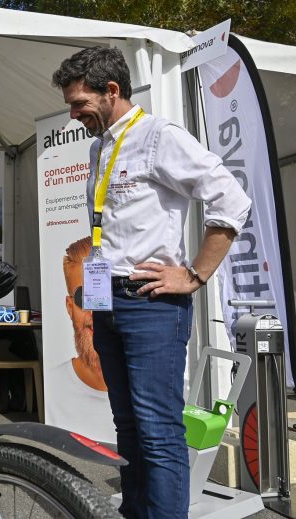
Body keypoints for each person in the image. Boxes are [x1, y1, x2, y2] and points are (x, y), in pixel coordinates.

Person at [52, 46, 251, 519]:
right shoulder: (98, 146)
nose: (74, 115)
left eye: (79, 104)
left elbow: (232, 199)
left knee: (158, 429)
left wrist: (195, 274)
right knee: (127, 426)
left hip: (149, 303)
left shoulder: (159, 137)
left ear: (112, 91)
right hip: (106, 301)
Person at [48, 235, 111, 432]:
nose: (95, 314)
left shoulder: (153, 389)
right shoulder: (53, 387)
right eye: (83, 297)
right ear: (69, 307)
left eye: (106, 297)